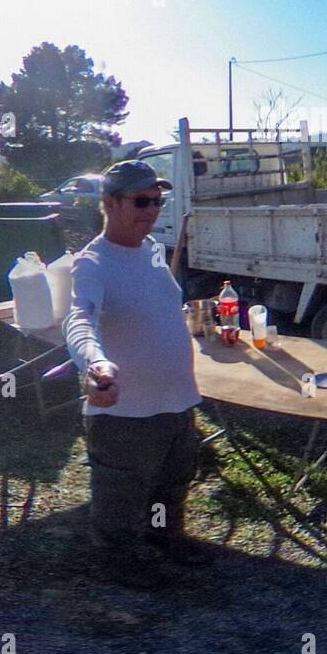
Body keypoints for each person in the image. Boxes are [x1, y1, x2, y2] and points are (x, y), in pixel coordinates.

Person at [63, 160, 212, 586]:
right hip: (126, 410)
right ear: (109, 203)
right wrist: (94, 362)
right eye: (142, 201)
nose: (152, 210)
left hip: (176, 399)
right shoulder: (92, 262)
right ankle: (119, 561)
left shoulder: (150, 251)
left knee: (171, 482)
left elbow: (155, 308)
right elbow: (80, 318)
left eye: (158, 201)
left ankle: (164, 537)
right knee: (121, 493)